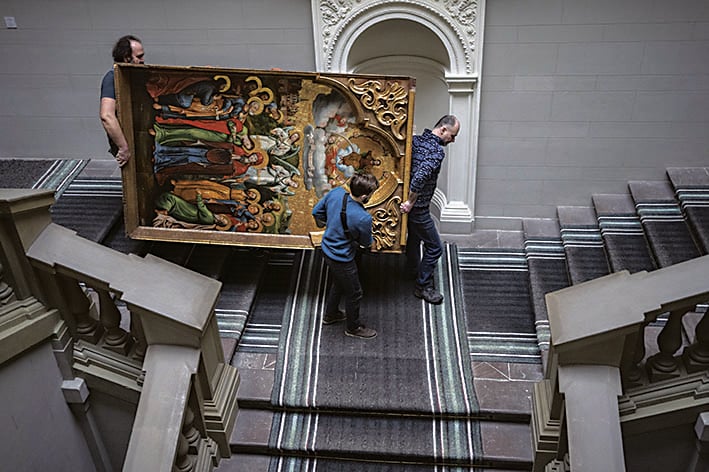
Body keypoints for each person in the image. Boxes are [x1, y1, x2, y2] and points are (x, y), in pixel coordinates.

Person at [399, 115, 460, 305]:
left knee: (415, 239)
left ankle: (411, 270)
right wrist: (411, 202)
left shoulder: (415, 140)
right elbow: (420, 177)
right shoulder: (436, 152)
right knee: (435, 247)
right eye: (452, 135)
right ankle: (422, 286)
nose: (453, 140)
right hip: (418, 208)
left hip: (409, 203)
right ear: (442, 130)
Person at [312, 172, 380, 339]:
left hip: (327, 248)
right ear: (364, 196)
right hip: (342, 257)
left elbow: (316, 212)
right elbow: (365, 242)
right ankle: (353, 327)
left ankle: (331, 314)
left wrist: (332, 225)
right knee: (355, 292)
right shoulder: (363, 218)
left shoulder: (336, 193)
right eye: (371, 194)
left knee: (339, 283)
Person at [100, 35, 145, 167]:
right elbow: (107, 116)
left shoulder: (135, 74)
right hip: (128, 139)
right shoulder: (112, 78)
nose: (143, 60)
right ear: (126, 58)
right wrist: (123, 147)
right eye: (139, 57)